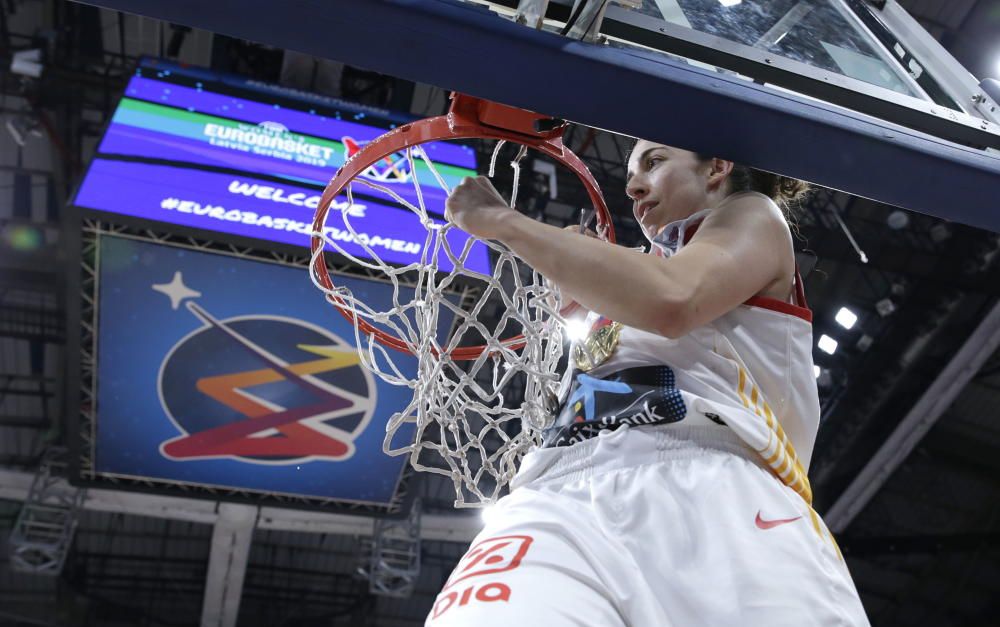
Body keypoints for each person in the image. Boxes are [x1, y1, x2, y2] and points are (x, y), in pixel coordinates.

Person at [428, 141, 870, 626]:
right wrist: (583, 273)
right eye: (632, 174)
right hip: (555, 492)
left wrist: (503, 221)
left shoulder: (752, 216)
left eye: (654, 163)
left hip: (714, 484)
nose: (635, 186)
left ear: (718, 167)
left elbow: (673, 298)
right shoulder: (634, 271)